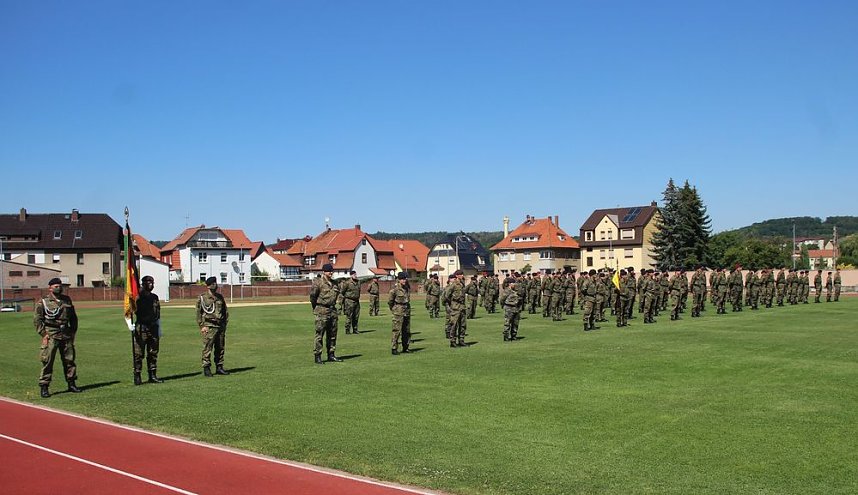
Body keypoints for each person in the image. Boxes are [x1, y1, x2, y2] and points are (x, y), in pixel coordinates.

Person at [34, 278, 81, 398]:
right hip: (51, 333)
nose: (58, 288)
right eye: (55, 286)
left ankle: (71, 383)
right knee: (48, 361)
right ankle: (44, 386)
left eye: (60, 286)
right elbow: (37, 319)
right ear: (50, 288)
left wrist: (73, 332)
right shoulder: (43, 302)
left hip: (65, 333)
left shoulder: (67, 299)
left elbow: (73, 318)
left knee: (69, 360)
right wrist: (43, 334)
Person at [196, 277, 229, 376]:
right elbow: (198, 313)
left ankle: (219, 367)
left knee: (220, 347)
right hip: (209, 326)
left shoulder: (220, 297)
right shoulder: (202, 298)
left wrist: (224, 324)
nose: (215, 285)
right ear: (208, 285)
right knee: (207, 348)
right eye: (213, 284)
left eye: (216, 283)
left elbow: (225, 311)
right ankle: (206, 368)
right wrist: (202, 326)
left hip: (220, 326)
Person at [309, 264, 342, 364]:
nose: (331, 273)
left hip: (332, 311)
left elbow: (338, 295)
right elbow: (313, 297)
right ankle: (318, 355)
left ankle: (331, 354)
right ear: (324, 272)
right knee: (319, 334)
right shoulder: (318, 282)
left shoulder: (335, 283)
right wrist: (316, 308)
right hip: (322, 310)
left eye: (332, 271)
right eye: (329, 271)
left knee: (332, 334)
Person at [133, 275, 162, 385]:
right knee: (138, 354)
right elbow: (131, 309)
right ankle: (137, 375)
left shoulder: (154, 297)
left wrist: (159, 328)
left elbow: (158, 314)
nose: (151, 284)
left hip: (153, 328)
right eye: (148, 282)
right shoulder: (137, 297)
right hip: (142, 328)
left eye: (152, 282)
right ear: (143, 283)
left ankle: (152, 375)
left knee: (153, 353)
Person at [388, 272, 412, 355]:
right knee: (396, 330)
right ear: (399, 279)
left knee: (406, 331)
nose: (404, 280)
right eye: (403, 279)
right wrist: (394, 309)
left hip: (406, 310)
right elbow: (390, 301)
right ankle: (394, 348)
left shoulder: (407, 288)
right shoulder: (395, 289)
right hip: (398, 311)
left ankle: (406, 347)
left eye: (405, 278)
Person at [447, 270, 468, 347]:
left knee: (462, 325)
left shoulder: (462, 284)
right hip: (455, 307)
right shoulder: (453, 285)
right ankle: (453, 341)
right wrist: (452, 303)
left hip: (462, 307)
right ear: (457, 276)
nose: (462, 275)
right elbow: (447, 295)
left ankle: (461, 340)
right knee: (454, 325)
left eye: (462, 274)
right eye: (461, 274)